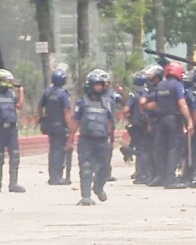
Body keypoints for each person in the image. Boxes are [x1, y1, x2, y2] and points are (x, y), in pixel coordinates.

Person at [143, 62, 194, 188]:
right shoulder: (177, 85)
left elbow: (153, 104)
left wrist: (144, 107)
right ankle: (170, 179)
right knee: (173, 149)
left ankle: (161, 176)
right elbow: (182, 103)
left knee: (161, 148)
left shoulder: (160, 85)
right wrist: (189, 120)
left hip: (161, 120)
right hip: (174, 120)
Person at [68, 71, 113, 205]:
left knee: (105, 168)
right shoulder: (82, 103)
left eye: (101, 85)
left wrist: (110, 138)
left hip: (103, 141)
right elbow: (75, 122)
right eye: (97, 85)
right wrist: (70, 139)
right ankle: (86, 196)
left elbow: (109, 121)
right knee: (86, 168)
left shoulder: (106, 103)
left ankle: (98, 187)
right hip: (86, 141)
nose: (99, 88)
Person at [37, 68, 72, 185]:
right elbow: (66, 111)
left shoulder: (47, 92)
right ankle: (58, 177)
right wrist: (71, 126)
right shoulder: (63, 94)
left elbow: (40, 107)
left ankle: (52, 175)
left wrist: (41, 119)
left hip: (50, 125)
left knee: (52, 150)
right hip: (61, 126)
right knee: (60, 151)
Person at [123, 71, 152, 184]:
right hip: (145, 124)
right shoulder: (147, 93)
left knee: (139, 148)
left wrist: (125, 117)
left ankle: (139, 172)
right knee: (144, 149)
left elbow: (126, 109)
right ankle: (143, 173)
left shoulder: (133, 94)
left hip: (135, 125)